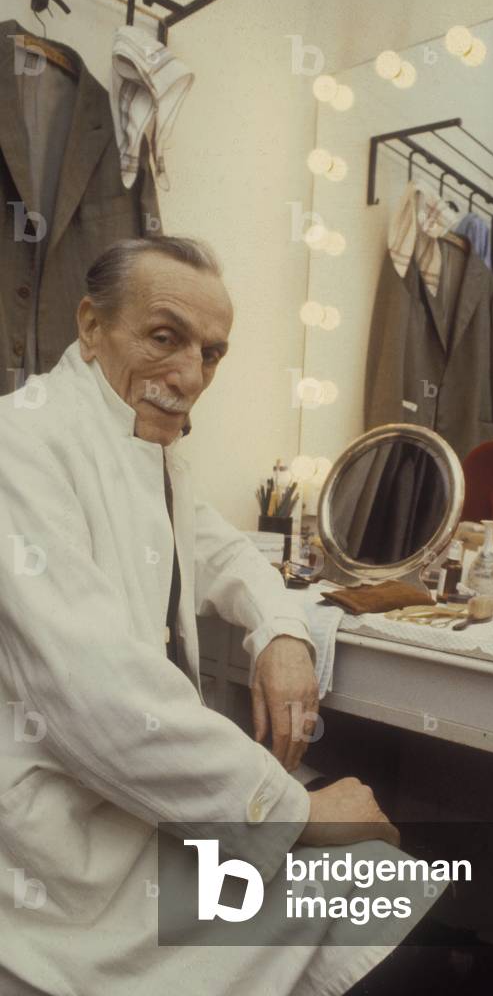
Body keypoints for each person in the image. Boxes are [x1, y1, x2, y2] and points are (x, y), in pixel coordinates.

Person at [0, 237, 441, 996]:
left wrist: (281, 633)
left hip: (133, 804)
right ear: (90, 323)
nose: (190, 376)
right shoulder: (22, 443)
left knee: (385, 887)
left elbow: (224, 552)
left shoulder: (146, 445)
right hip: (63, 849)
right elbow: (100, 698)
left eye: (211, 353)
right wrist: (293, 809)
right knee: (382, 886)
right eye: (164, 337)